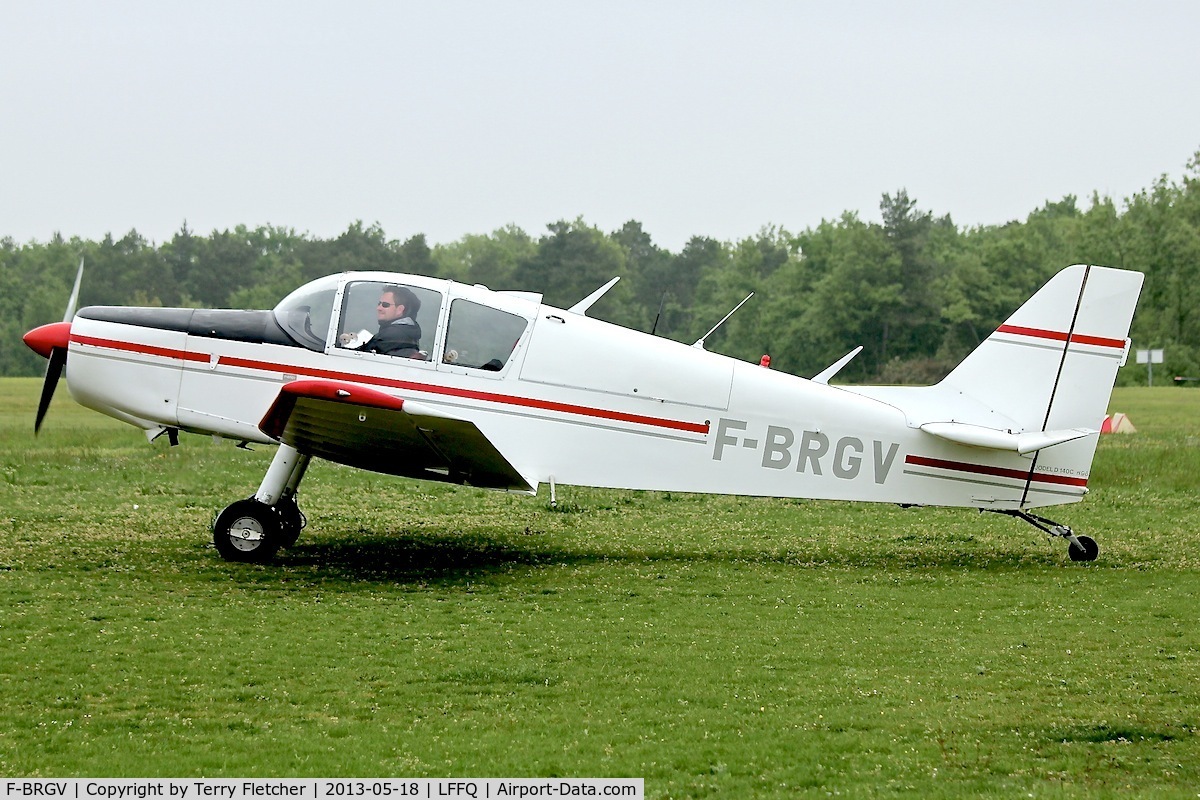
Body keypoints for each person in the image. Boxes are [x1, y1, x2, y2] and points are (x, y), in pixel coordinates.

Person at [362, 286, 422, 357]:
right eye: (379, 303)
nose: (378, 308)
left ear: (400, 309)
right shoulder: (408, 332)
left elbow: (361, 355)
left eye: (385, 305)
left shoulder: (390, 336)